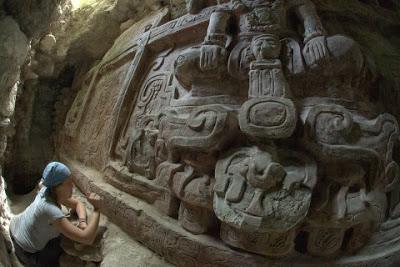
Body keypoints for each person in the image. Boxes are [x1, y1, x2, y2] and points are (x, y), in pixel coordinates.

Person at [9, 161, 101, 267]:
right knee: (58, 253)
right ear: (58, 187)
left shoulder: (47, 189)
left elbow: (77, 204)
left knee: (61, 233)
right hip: (25, 251)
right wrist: (97, 209)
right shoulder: (50, 210)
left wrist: (83, 222)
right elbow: (87, 238)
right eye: (69, 183)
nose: (73, 186)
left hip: (15, 227)